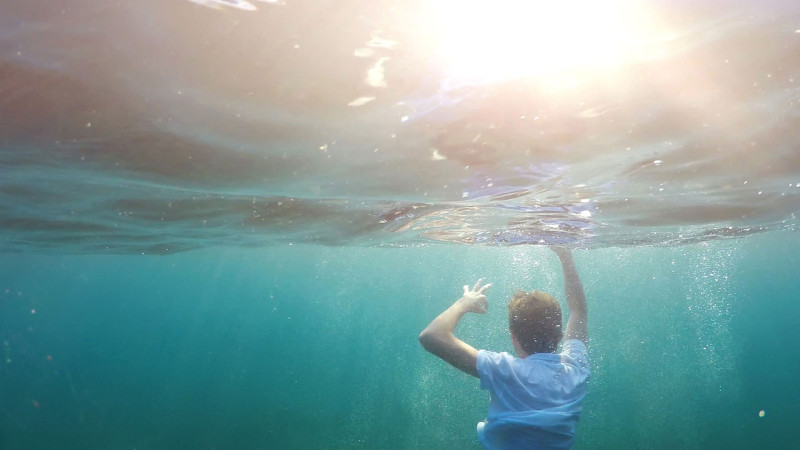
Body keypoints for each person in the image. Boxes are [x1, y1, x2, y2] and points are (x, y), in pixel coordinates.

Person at [418, 247, 589, 449]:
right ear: (559, 337)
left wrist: (463, 304)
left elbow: (430, 336)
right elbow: (578, 311)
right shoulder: (575, 369)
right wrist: (565, 255)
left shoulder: (505, 370)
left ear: (513, 336)